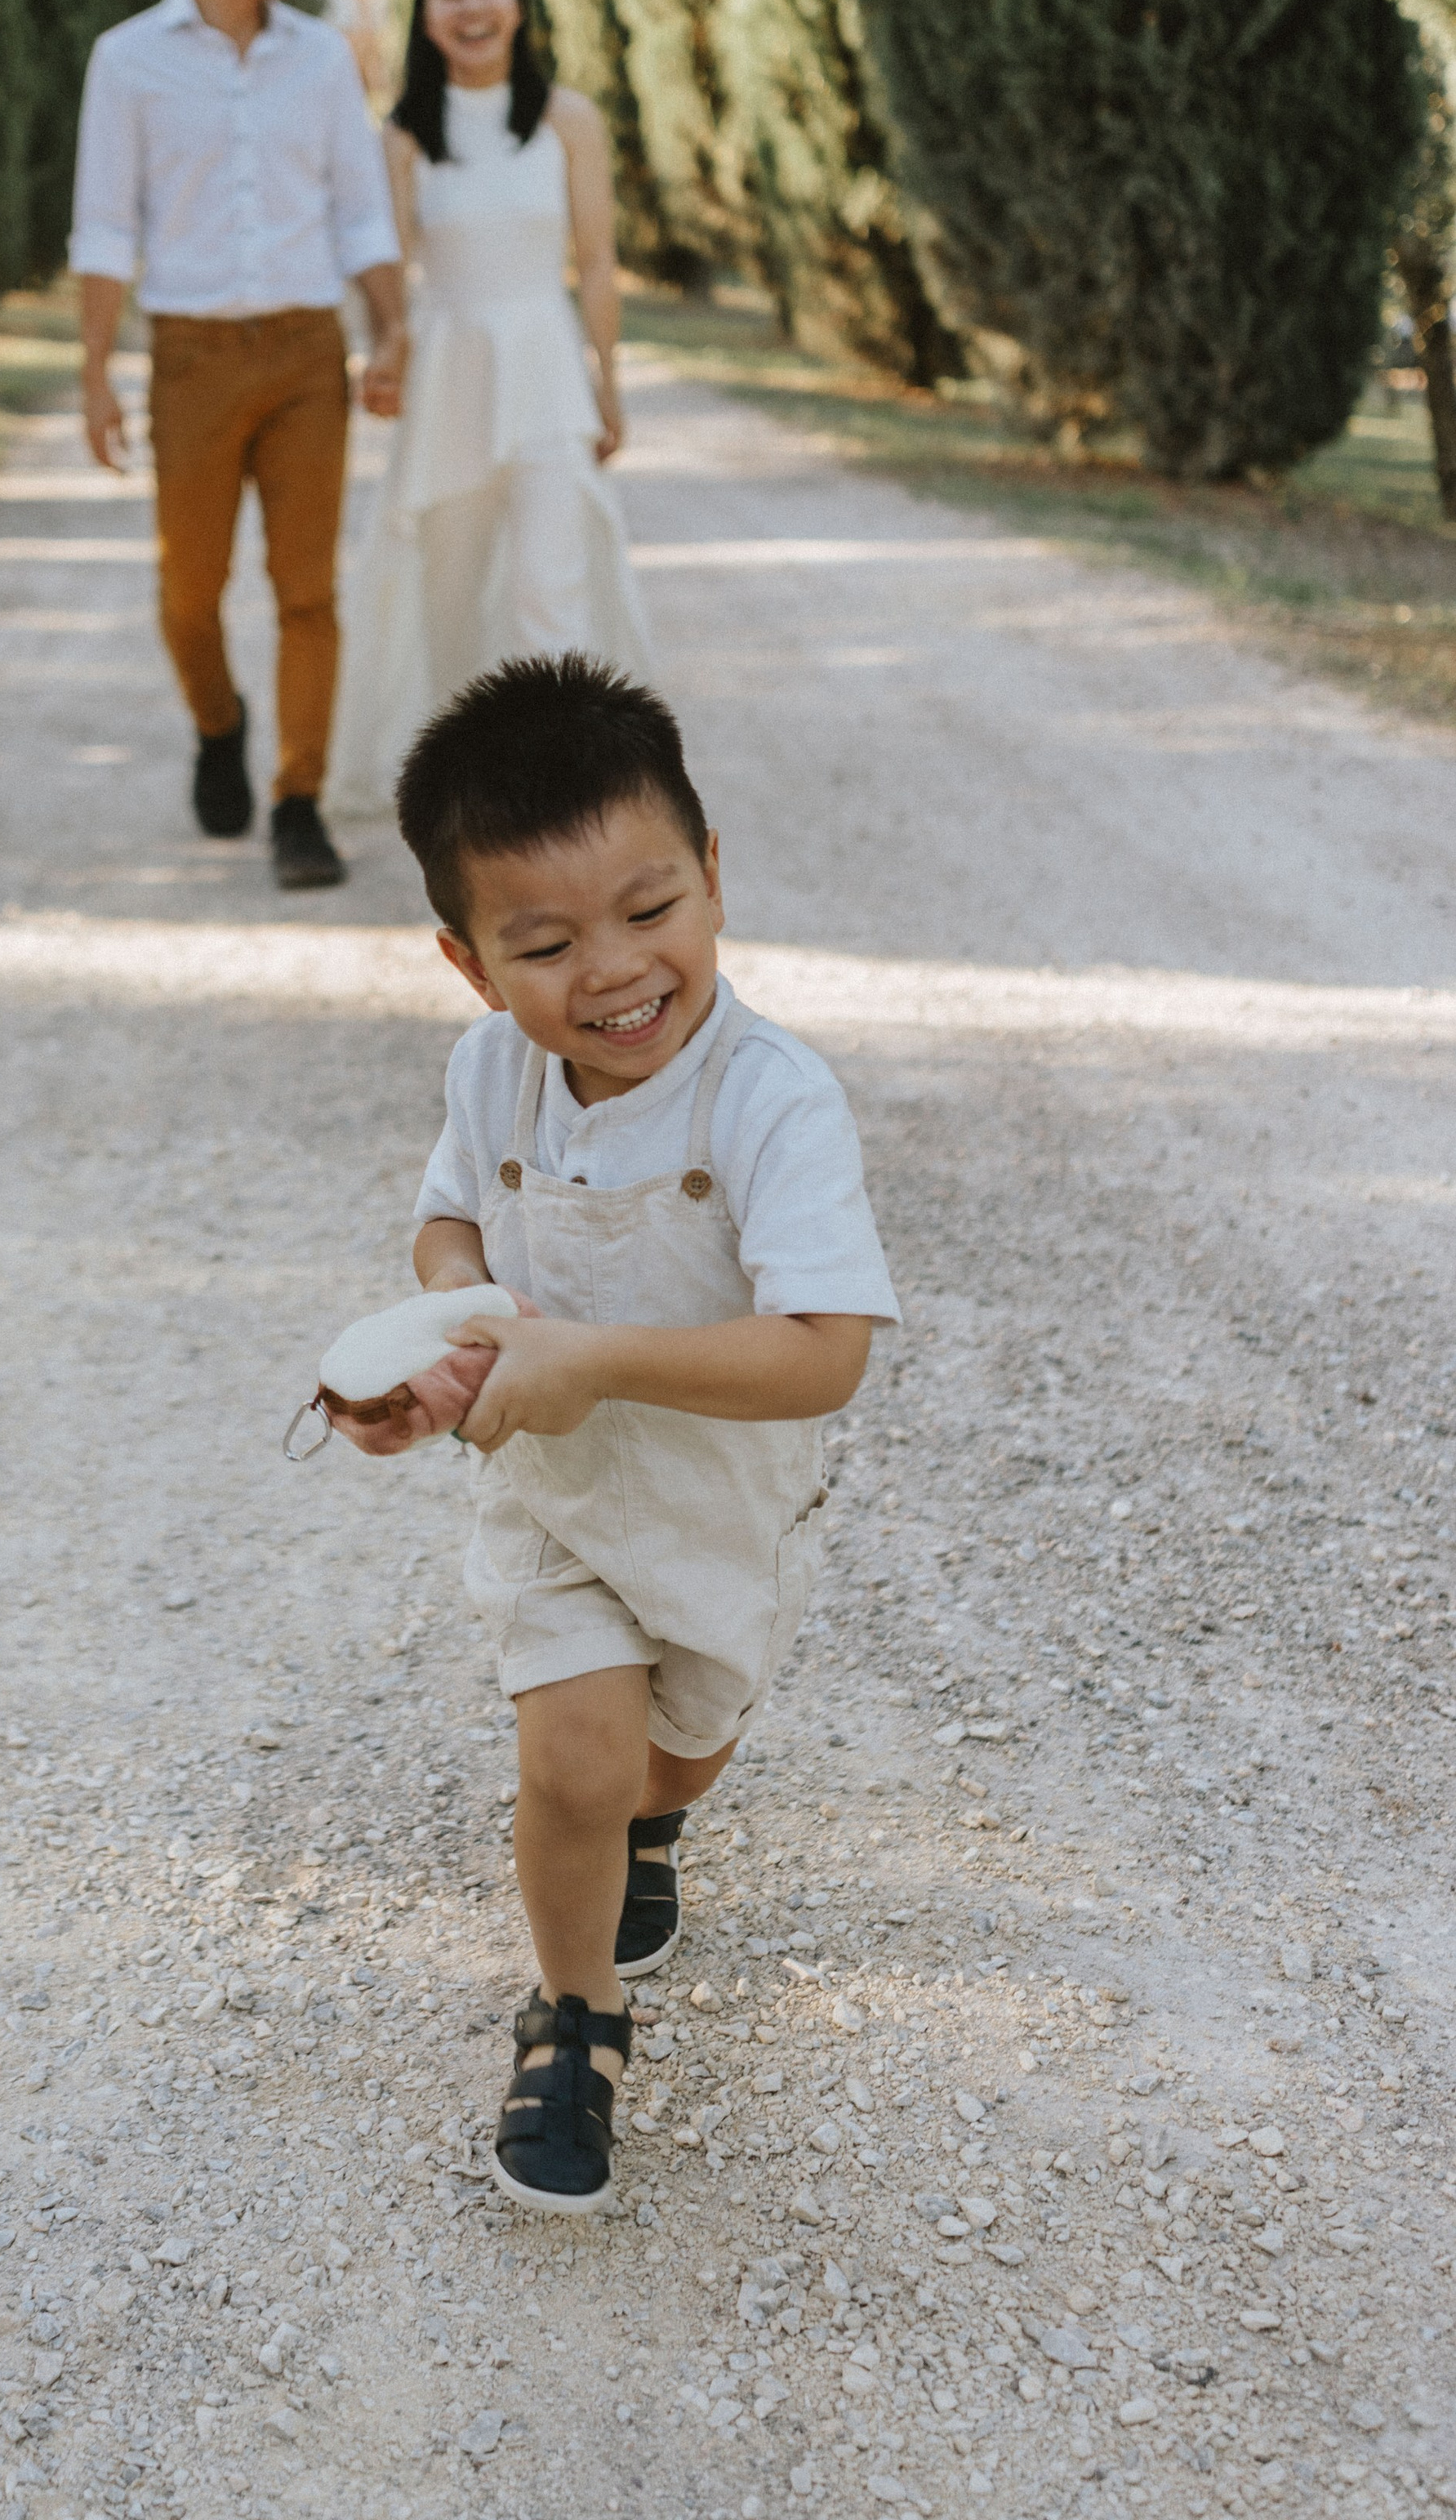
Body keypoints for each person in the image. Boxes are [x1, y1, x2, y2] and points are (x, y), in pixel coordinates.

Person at [338, 657, 898, 2215]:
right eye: (546, 941)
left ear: (713, 877)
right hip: (556, 1501)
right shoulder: (487, 1069)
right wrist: (454, 1348)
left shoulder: (774, 1101)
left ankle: (653, 1826)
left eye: (651, 912)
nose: (614, 970)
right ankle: (576, 2020)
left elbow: (825, 1354)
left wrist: (600, 1359)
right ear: (468, 962)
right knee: (574, 1761)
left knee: (674, 1757)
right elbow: (451, 1226)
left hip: (723, 1500)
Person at [69, 0, 407, 891]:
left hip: (310, 350)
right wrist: (93, 372)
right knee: (189, 592)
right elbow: (103, 225)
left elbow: (359, 213)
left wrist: (393, 328)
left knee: (308, 590)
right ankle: (219, 724)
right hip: (193, 357)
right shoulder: (128, 59)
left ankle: (297, 803)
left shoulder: (317, 57)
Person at [324, 0, 652, 818]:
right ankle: (459, 796)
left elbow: (594, 257)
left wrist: (606, 383)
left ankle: (570, 789)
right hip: (449, 375)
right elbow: (386, 265)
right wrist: (382, 353)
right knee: (447, 589)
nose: (471, 11)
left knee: (553, 585)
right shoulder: (403, 137)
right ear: (426, 18)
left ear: (515, 3)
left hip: (546, 369)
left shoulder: (567, 120)